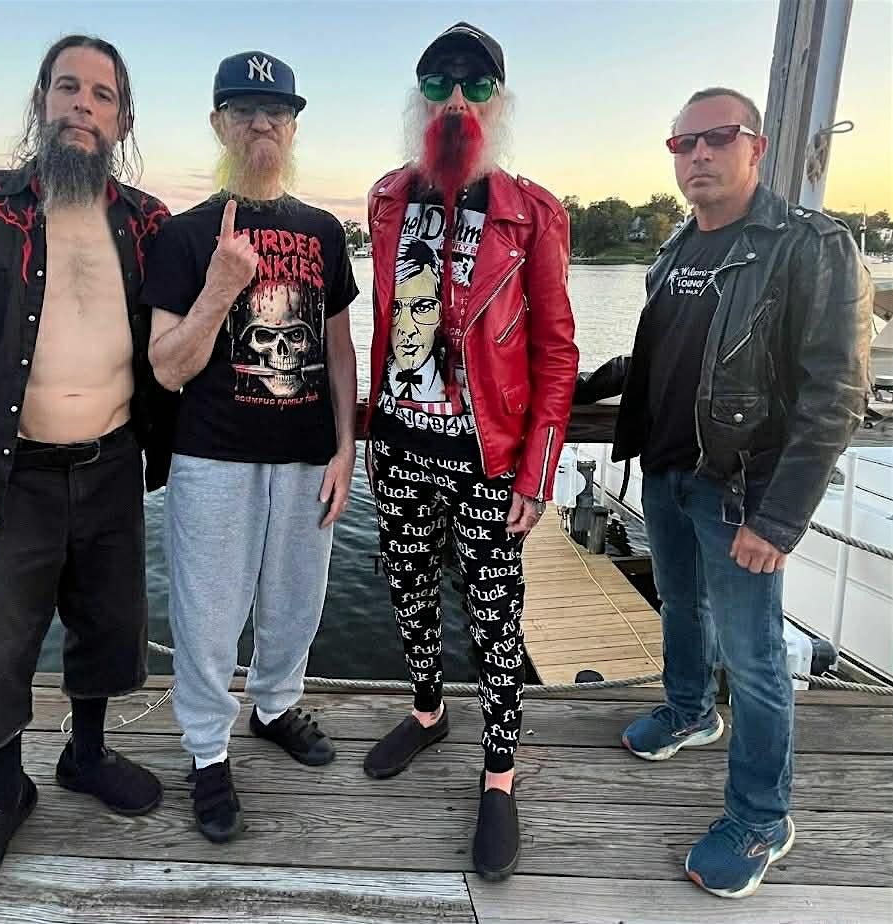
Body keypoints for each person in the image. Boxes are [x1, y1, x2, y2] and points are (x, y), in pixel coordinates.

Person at [0, 34, 176, 908]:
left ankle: (85, 756)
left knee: (108, 625)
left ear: (123, 120)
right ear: (41, 101)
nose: (81, 107)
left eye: (102, 95)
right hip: (8, 474)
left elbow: (177, 344)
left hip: (112, 464)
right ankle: (4, 794)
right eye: (68, 88)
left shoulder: (148, 223)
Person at [612, 87, 872, 898]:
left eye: (717, 137)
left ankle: (761, 818)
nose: (697, 154)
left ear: (754, 147)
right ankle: (690, 710)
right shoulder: (676, 248)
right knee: (679, 606)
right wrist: (573, 386)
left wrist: (778, 518)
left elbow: (836, 395)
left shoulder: (809, 246)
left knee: (755, 659)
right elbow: (661, 358)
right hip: (666, 472)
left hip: (739, 491)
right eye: (682, 143)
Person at [362, 22, 579, 881]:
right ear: (418, 98)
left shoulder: (532, 212)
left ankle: (498, 772)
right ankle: (426, 712)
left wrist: (538, 470)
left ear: (499, 100)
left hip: (488, 458)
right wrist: (366, 435)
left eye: (476, 83)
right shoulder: (386, 198)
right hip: (399, 445)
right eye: (439, 81)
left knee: (495, 619)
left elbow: (556, 352)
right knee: (408, 590)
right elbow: (382, 326)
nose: (456, 97)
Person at [142, 51, 358, 844]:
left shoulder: (323, 230)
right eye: (242, 109)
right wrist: (221, 286)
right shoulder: (184, 235)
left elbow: (338, 348)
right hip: (212, 457)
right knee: (207, 617)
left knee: (297, 603)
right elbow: (167, 367)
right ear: (218, 123)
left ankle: (273, 706)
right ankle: (207, 752)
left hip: (307, 455)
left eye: (276, 110)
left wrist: (345, 449)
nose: (260, 122)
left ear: (293, 126)